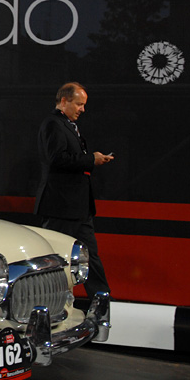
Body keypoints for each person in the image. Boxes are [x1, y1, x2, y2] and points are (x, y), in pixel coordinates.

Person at [34, 82, 114, 298]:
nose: (82, 109)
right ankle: (47, 298)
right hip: (61, 205)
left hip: (79, 207)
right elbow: (56, 159)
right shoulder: (53, 124)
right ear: (64, 101)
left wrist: (92, 158)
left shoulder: (68, 126)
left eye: (83, 105)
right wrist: (91, 159)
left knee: (91, 256)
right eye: (79, 104)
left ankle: (102, 298)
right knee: (55, 257)